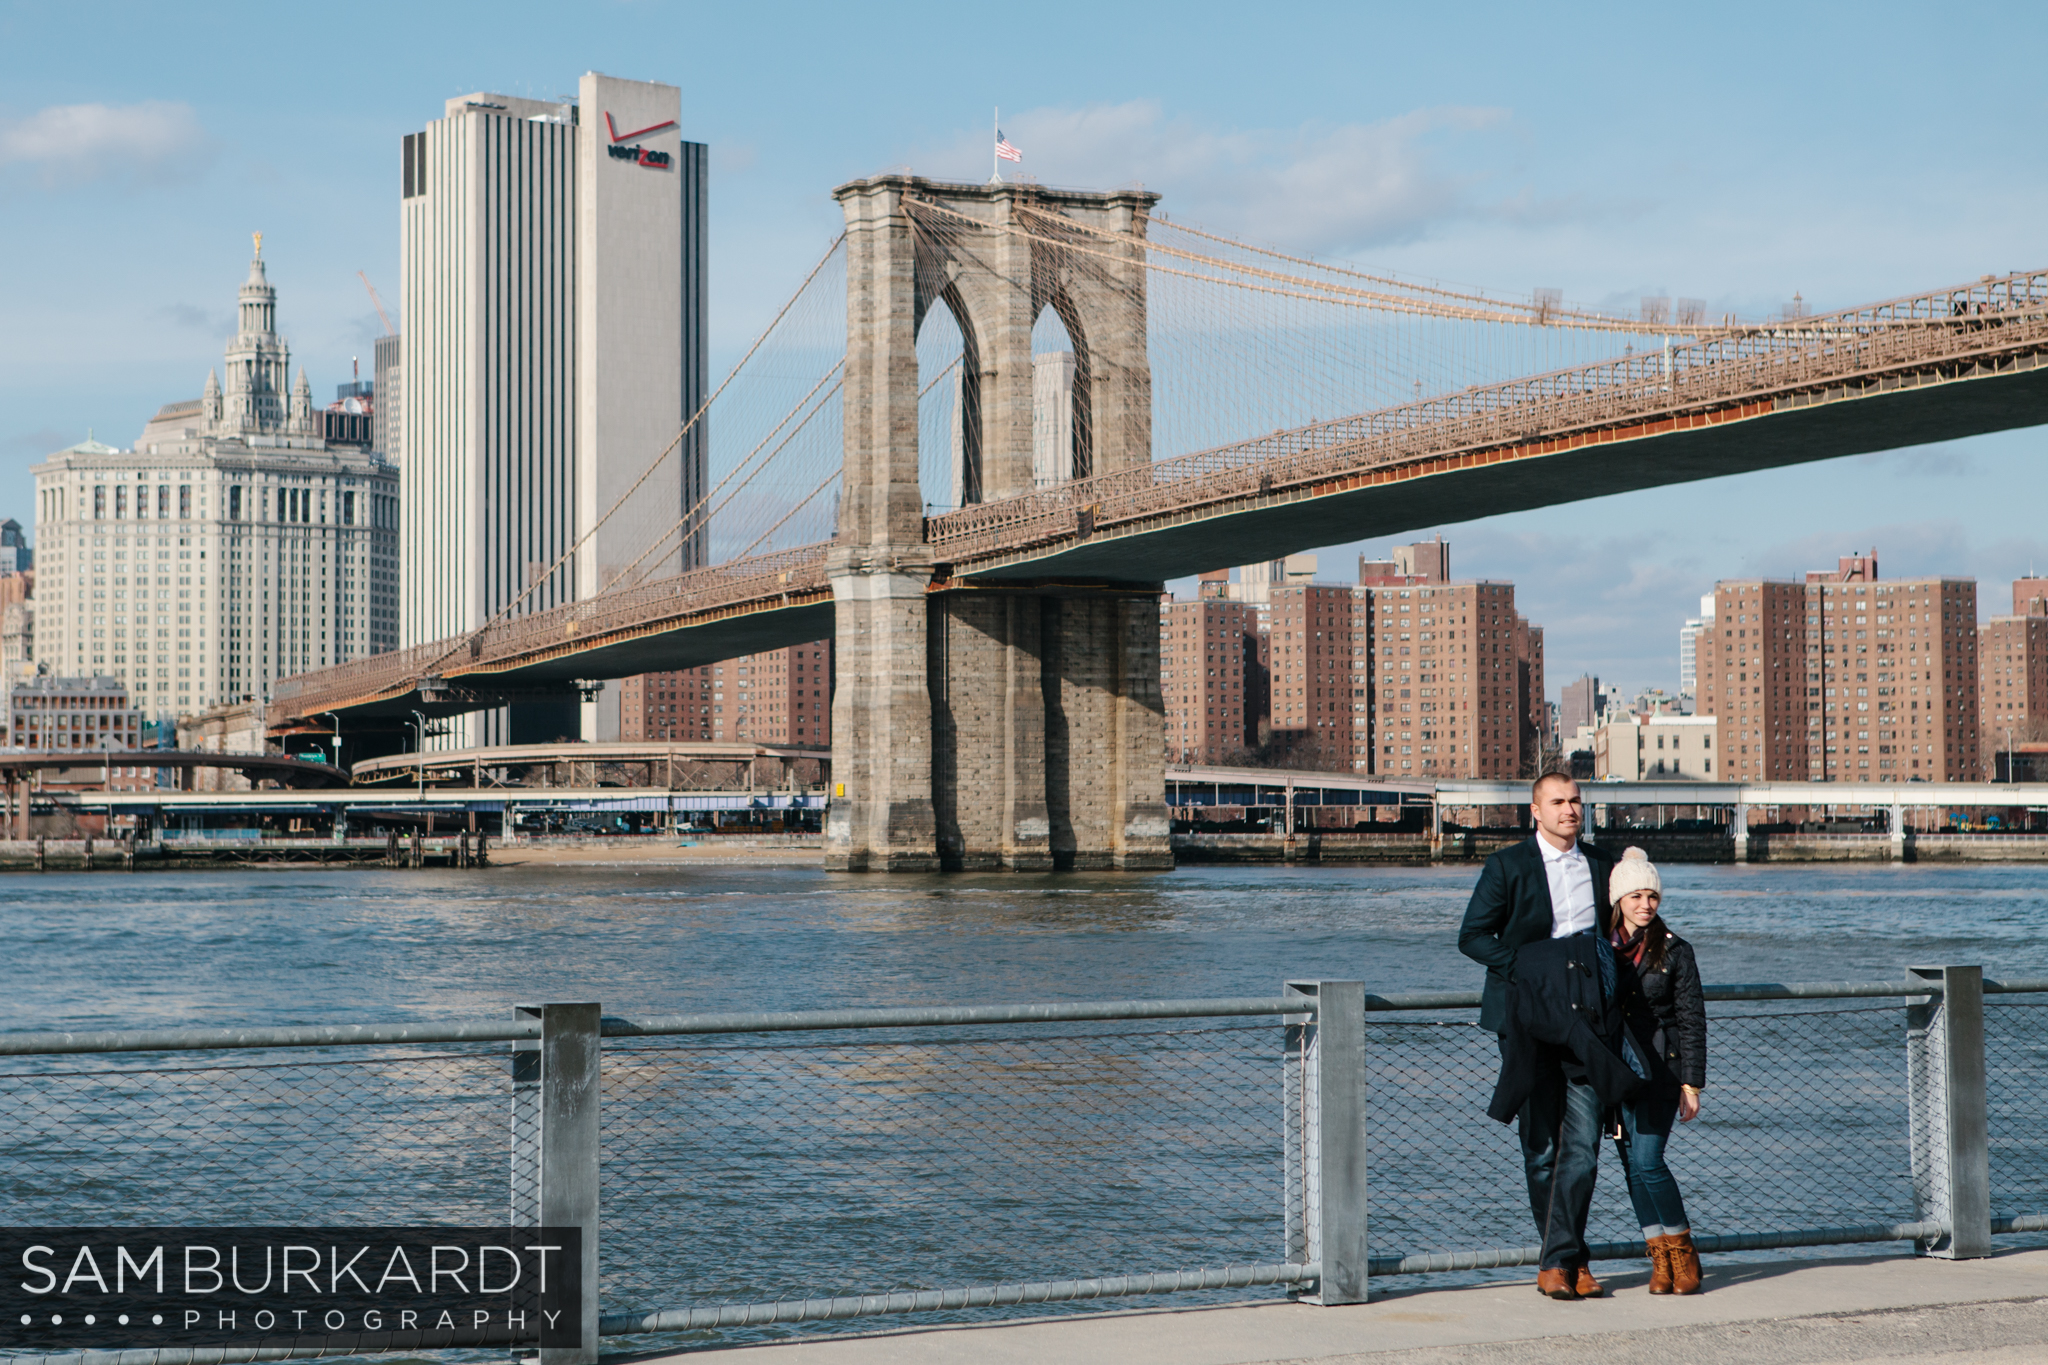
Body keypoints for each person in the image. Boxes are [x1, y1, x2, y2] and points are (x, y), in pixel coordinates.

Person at [1458, 773, 1618, 1300]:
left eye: (1575, 801)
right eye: (1558, 802)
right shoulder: (1507, 865)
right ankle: (1569, 1263)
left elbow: (1623, 933)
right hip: (1526, 1018)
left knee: (1585, 1148)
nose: (1569, 810)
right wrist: (1531, 968)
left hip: (1587, 1024)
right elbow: (1473, 937)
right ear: (1536, 811)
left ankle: (1562, 1260)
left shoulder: (1602, 863)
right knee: (1543, 1145)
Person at [1607, 847, 1707, 1295]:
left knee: (1649, 1161)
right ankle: (1660, 1258)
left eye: (1652, 896)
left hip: (1660, 1072)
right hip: (1614, 1070)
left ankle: (1684, 1254)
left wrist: (1692, 1082)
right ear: (1618, 901)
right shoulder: (1600, 947)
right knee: (1631, 1165)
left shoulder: (1675, 950)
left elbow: (1691, 1018)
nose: (1645, 904)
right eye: (1636, 896)